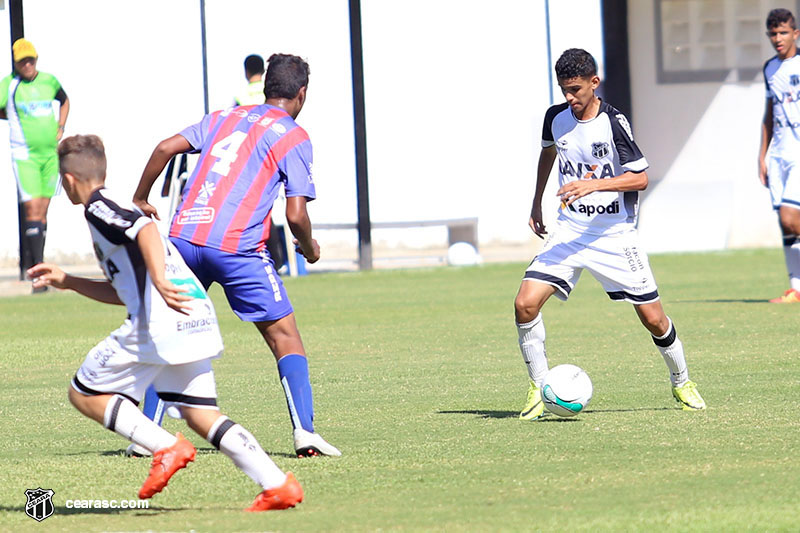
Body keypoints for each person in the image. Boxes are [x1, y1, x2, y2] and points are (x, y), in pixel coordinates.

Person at [28, 134, 303, 511]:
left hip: (160, 320)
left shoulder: (98, 207)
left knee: (84, 393)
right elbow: (125, 287)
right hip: (192, 313)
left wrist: (159, 278)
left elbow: (144, 232)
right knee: (201, 414)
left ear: (70, 179)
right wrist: (70, 281)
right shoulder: (118, 204)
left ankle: (165, 447)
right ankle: (277, 484)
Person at [132, 53, 340, 457]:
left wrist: (140, 197)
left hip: (184, 238)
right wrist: (311, 249)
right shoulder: (293, 135)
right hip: (237, 248)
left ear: (265, 89)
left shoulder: (223, 117)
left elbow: (163, 148)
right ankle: (306, 434)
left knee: (172, 333)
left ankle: (147, 438)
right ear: (301, 93)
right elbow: (295, 214)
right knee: (284, 336)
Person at [514, 48, 706, 420]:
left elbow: (641, 177)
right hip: (570, 230)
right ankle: (539, 388)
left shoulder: (613, 122)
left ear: (593, 82)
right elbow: (548, 153)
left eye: (575, 89)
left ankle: (681, 381)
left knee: (653, 318)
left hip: (614, 234)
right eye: (563, 90)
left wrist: (594, 186)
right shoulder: (555, 118)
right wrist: (536, 201)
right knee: (524, 304)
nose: (570, 98)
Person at [0, 38, 70, 292]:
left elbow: (64, 100)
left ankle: (38, 266)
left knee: (43, 211)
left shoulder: (48, 81)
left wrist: (60, 126)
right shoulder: (9, 85)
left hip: (50, 156)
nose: (28, 64)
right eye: (23, 61)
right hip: (25, 156)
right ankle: (38, 273)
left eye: (31, 59)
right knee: (32, 210)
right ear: (16, 63)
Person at [759, 8, 800, 303]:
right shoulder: (769, 68)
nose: (778, 38)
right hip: (779, 154)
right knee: (784, 225)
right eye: (773, 33)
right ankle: (796, 289)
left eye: (783, 32)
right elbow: (769, 115)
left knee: (790, 218)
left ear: (795, 33)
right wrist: (762, 156)